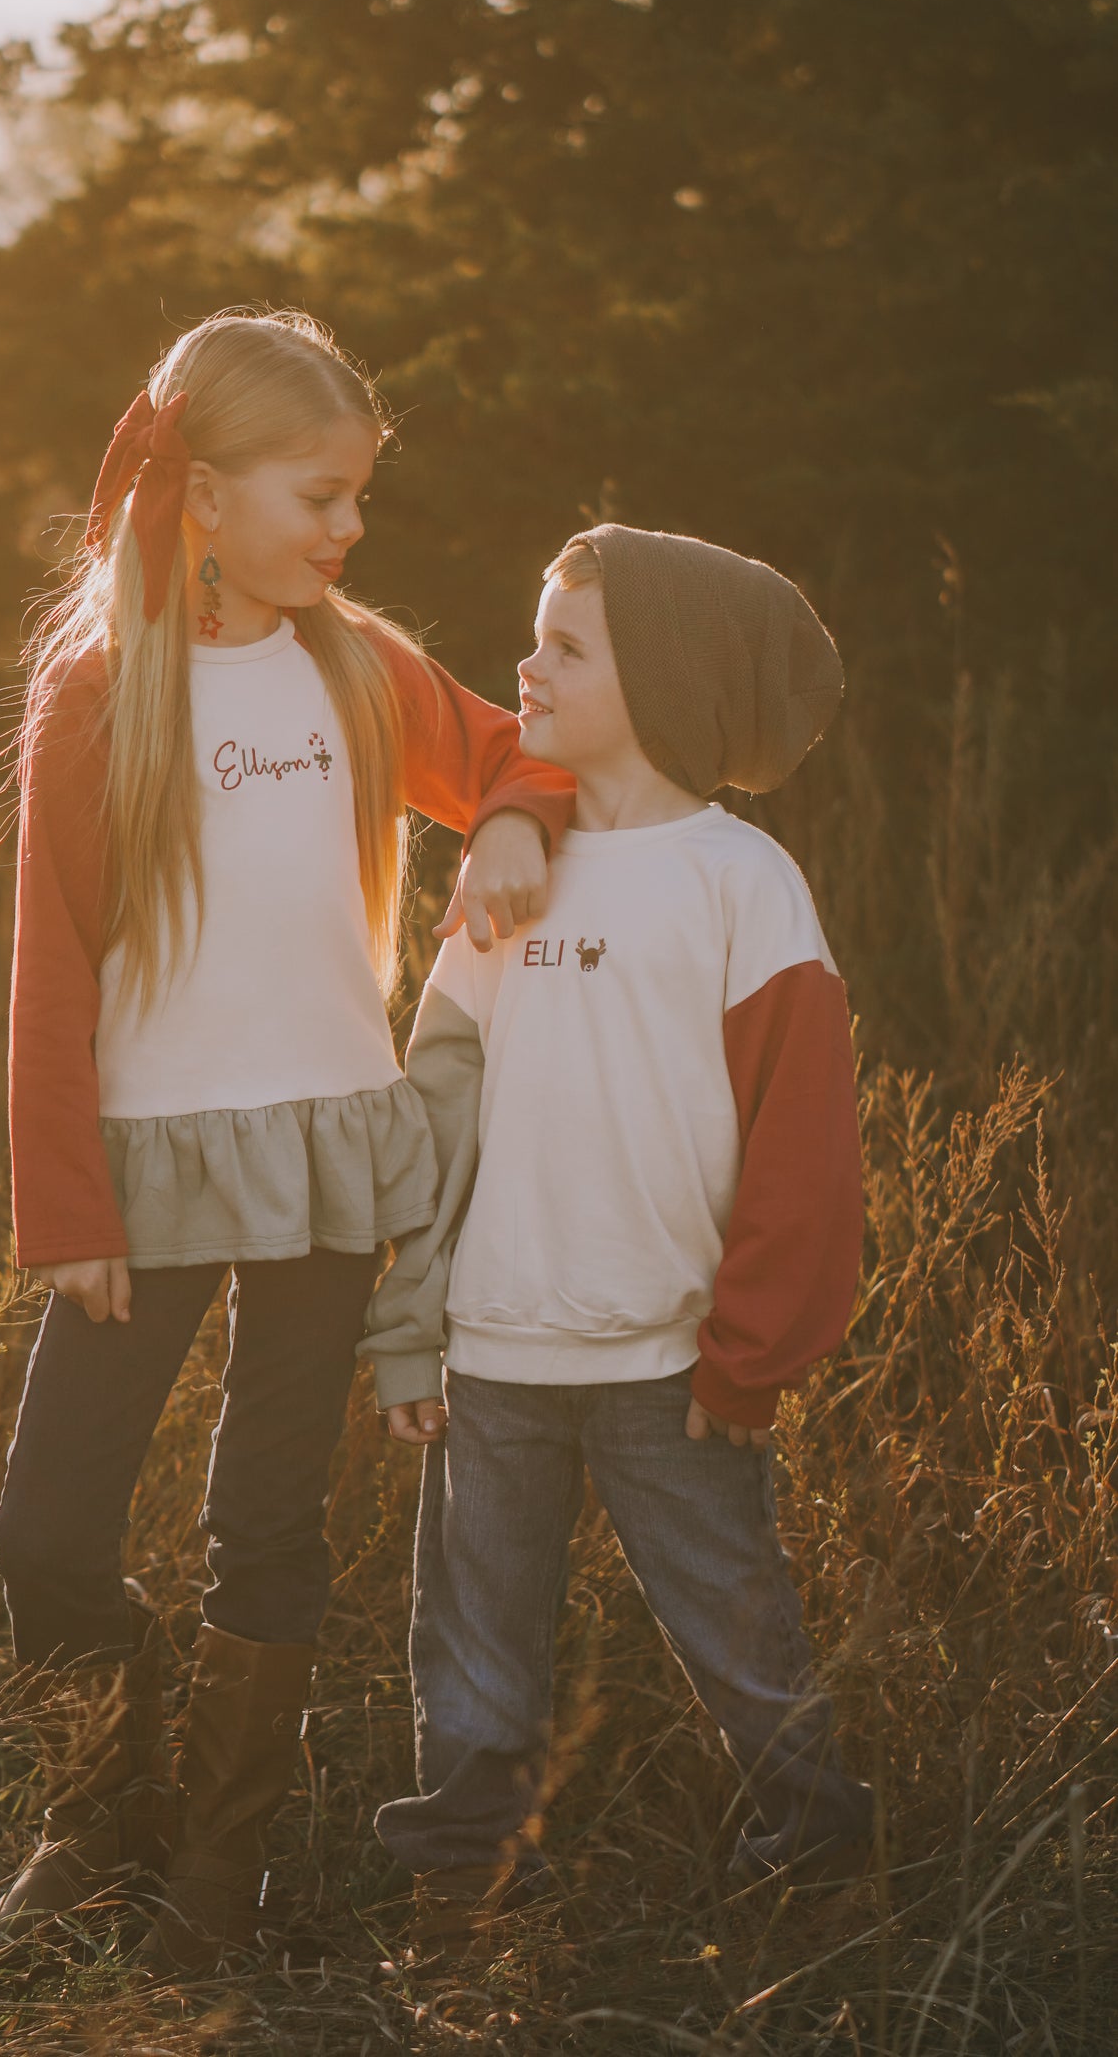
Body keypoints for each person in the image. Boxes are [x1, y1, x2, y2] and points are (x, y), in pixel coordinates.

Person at [0, 311, 573, 1966]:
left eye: (359, 494)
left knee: (267, 1521)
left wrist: (510, 822)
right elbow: (49, 966)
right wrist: (63, 1207)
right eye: (320, 495)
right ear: (205, 495)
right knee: (47, 1527)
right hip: (144, 1167)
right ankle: (97, 1823)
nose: (349, 527)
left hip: (323, 1160)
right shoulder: (101, 690)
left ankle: (218, 1873)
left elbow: (519, 755)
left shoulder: (354, 666)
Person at [360, 524, 874, 1942]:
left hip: (675, 1367)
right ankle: (467, 1873)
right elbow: (434, 1120)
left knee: (740, 1632)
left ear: (663, 678)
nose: (524, 668)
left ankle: (822, 1862)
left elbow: (803, 1154)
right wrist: (408, 1332)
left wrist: (750, 1358)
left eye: (565, 647)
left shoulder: (739, 882)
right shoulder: (505, 870)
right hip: (492, 1357)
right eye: (534, 639)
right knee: (474, 1648)